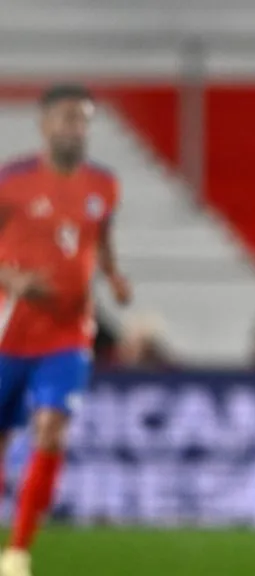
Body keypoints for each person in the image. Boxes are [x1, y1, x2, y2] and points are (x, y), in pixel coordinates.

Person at [0, 84, 131, 576]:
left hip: (69, 334)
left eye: (83, 120)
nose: (75, 128)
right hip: (10, 333)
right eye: (66, 119)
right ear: (45, 124)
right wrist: (13, 279)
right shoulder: (11, 182)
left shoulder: (104, 185)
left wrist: (115, 277)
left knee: (51, 430)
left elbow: (102, 240)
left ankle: (17, 552)